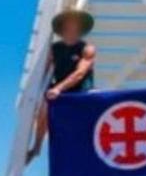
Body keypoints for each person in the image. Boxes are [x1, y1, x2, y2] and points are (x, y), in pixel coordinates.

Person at [26, 9, 96, 164]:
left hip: (81, 92)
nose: (71, 29)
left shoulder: (87, 49)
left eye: (75, 26)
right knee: (44, 108)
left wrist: (59, 88)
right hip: (59, 93)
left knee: (78, 129)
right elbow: (43, 71)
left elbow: (80, 73)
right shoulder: (54, 49)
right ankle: (36, 148)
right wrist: (37, 93)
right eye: (68, 25)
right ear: (63, 28)